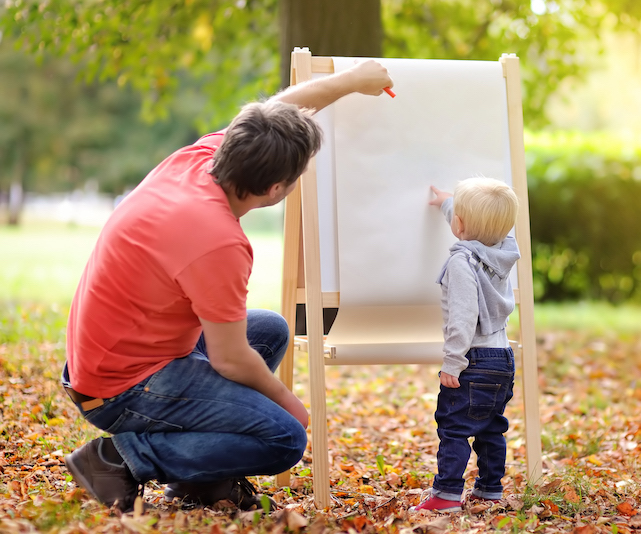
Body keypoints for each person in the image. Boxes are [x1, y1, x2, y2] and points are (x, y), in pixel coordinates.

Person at [61, 60, 394, 513]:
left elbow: (277, 110)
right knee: (284, 437)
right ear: (276, 188)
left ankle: (201, 480)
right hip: (119, 387)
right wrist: (286, 398)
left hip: (116, 353)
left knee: (270, 330)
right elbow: (231, 359)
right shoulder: (217, 240)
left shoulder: (201, 160)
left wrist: (352, 82)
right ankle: (119, 460)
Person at [411, 177, 520, 513]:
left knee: (454, 428)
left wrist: (453, 363)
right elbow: (476, 225)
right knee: (490, 426)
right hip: (502, 357)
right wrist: (448, 204)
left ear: (459, 224)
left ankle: (446, 494)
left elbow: (462, 317)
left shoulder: (462, 263)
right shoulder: (503, 249)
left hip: (473, 359)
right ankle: (489, 489)